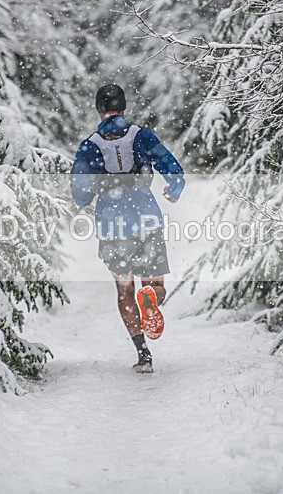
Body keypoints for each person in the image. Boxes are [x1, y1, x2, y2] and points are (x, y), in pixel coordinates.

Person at [71, 84, 185, 373]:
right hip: (146, 218)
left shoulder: (89, 145)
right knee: (154, 283)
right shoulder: (142, 136)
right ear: (123, 107)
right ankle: (151, 298)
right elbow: (173, 169)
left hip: (112, 225)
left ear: (99, 109)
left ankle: (143, 354)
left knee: (123, 291)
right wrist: (175, 187)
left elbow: (80, 195)